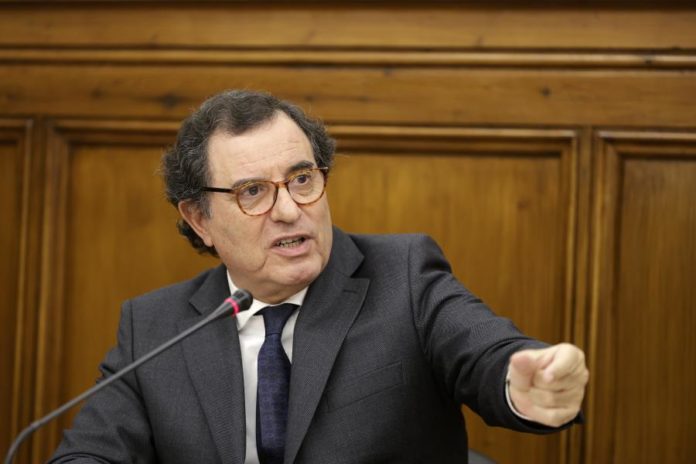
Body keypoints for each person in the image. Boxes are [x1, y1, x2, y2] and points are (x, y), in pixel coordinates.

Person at [50, 90, 588, 464]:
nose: (290, 211)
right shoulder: (155, 326)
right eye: (253, 192)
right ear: (199, 219)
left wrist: (522, 383)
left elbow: (484, 351)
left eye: (302, 179)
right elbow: (89, 453)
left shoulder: (404, 277)